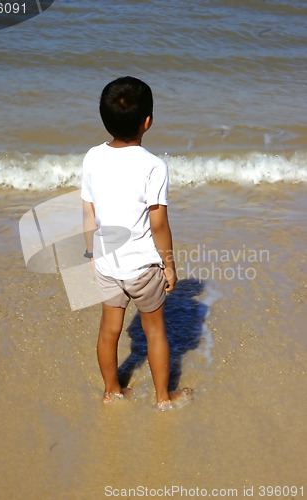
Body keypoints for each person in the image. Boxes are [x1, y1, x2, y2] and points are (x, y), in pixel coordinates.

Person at [81, 76, 191, 411]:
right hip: (143, 267)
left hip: (107, 262)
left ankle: (111, 391)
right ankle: (163, 398)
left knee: (109, 331)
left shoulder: (92, 157)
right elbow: (158, 224)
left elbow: (89, 212)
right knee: (155, 331)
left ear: (104, 118)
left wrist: (91, 253)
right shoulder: (153, 166)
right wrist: (169, 264)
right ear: (147, 122)